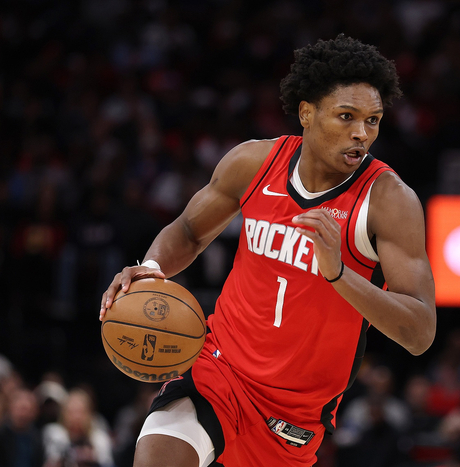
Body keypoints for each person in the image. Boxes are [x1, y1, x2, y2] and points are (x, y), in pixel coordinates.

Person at [99, 35, 436, 467]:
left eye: (373, 120)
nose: (361, 133)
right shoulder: (254, 163)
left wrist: (338, 273)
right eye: (346, 116)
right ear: (307, 113)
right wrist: (150, 267)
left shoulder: (389, 201)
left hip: (293, 414)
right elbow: (188, 231)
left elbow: (420, 333)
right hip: (220, 367)